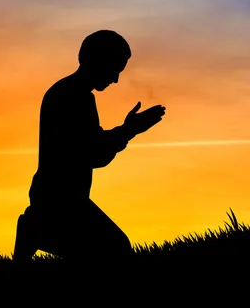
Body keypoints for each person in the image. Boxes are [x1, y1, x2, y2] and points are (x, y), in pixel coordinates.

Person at [13, 29, 166, 270]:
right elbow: (94, 154)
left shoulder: (65, 91)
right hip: (63, 201)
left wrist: (127, 129)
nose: (115, 79)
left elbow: (89, 145)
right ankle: (36, 229)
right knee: (116, 252)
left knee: (103, 252)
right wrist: (129, 130)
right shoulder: (75, 97)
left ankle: (36, 228)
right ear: (98, 60)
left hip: (57, 196)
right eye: (115, 69)